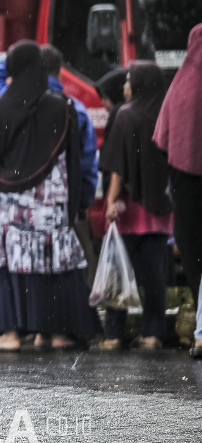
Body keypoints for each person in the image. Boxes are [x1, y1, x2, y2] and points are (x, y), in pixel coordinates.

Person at [0, 40, 100, 352]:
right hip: (50, 205)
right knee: (53, 266)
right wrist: (76, 204)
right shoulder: (63, 106)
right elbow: (75, 161)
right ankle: (56, 332)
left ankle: (9, 333)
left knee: (6, 265)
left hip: (5, 208)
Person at [99, 61, 172, 350]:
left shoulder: (126, 115)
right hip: (159, 209)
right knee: (155, 274)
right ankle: (153, 333)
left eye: (129, 81)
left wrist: (110, 200)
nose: (125, 87)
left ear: (139, 84)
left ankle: (114, 334)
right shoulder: (166, 114)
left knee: (118, 269)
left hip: (128, 210)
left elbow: (118, 166)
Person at [154, 24, 202, 355]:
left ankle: (201, 332)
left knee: (197, 258)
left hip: (187, 189)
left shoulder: (181, 86)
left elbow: (163, 139)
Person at [40, 46, 99, 284]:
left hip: (29, 216)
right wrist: (82, 202)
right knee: (78, 274)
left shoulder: (17, 107)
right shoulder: (76, 110)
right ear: (61, 73)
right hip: (67, 208)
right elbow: (87, 162)